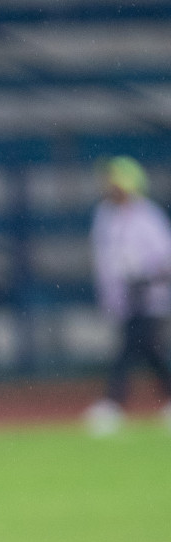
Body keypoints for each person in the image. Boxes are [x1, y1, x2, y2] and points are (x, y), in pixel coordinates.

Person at [83, 156, 171, 435]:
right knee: (150, 352)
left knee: (130, 349)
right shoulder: (104, 216)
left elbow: (163, 258)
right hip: (123, 299)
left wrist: (143, 276)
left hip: (148, 298)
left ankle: (113, 402)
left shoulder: (147, 216)